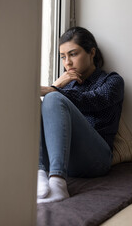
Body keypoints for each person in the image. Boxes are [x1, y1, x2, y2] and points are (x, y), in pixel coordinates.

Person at [37, 26, 124, 204]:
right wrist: (57, 86)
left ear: (92, 52)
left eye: (73, 54)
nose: (67, 62)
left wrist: (54, 89)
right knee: (35, 103)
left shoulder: (112, 81)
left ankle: (58, 184)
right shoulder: (65, 85)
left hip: (95, 159)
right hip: (63, 156)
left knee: (53, 98)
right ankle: (38, 174)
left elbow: (93, 100)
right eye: (63, 57)